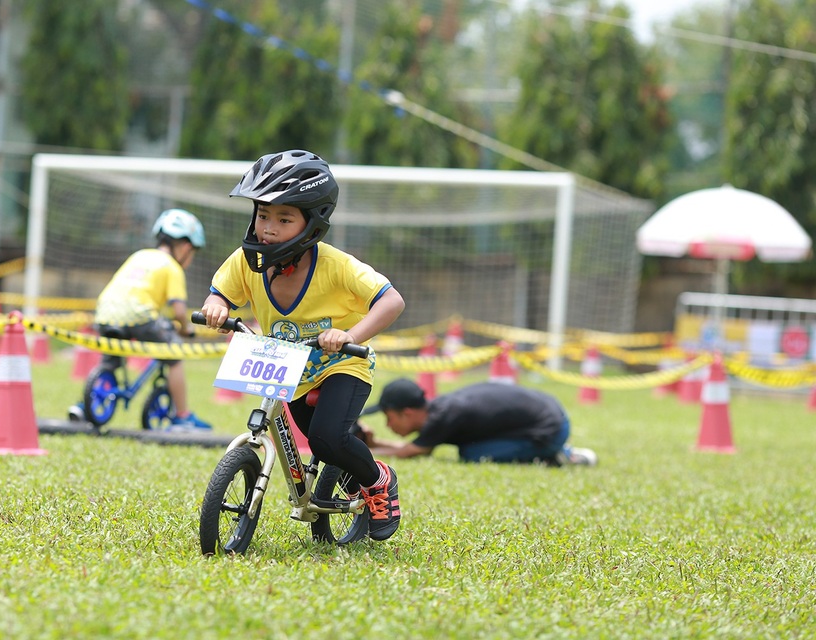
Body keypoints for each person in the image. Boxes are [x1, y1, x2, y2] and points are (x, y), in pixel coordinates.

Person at [199, 149, 406, 542]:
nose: (269, 228)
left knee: (328, 438)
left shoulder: (337, 266)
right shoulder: (248, 260)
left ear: (312, 222)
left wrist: (350, 336)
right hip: (291, 368)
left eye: (284, 218)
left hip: (342, 365)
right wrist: (216, 307)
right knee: (321, 444)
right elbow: (220, 292)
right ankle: (334, 484)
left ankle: (378, 481)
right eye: (263, 215)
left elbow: (391, 300)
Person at [68, 208, 212, 431]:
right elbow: (180, 313)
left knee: (111, 359)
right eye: (192, 252)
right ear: (185, 247)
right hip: (140, 315)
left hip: (106, 313)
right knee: (174, 353)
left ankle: (85, 404)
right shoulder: (172, 267)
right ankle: (182, 416)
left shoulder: (139, 255)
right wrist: (185, 330)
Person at [358, 378, 598, 466]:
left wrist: (365, 449)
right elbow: (413, 448)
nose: (388, 426)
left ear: (407, 412)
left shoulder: (443, 417)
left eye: (389, 419)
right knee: (471, 450)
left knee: (472, 454)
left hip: (551, 427)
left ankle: (559, 455)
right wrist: (374, 442)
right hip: (548, 411)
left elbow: (411, 452)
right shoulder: (440, 410)